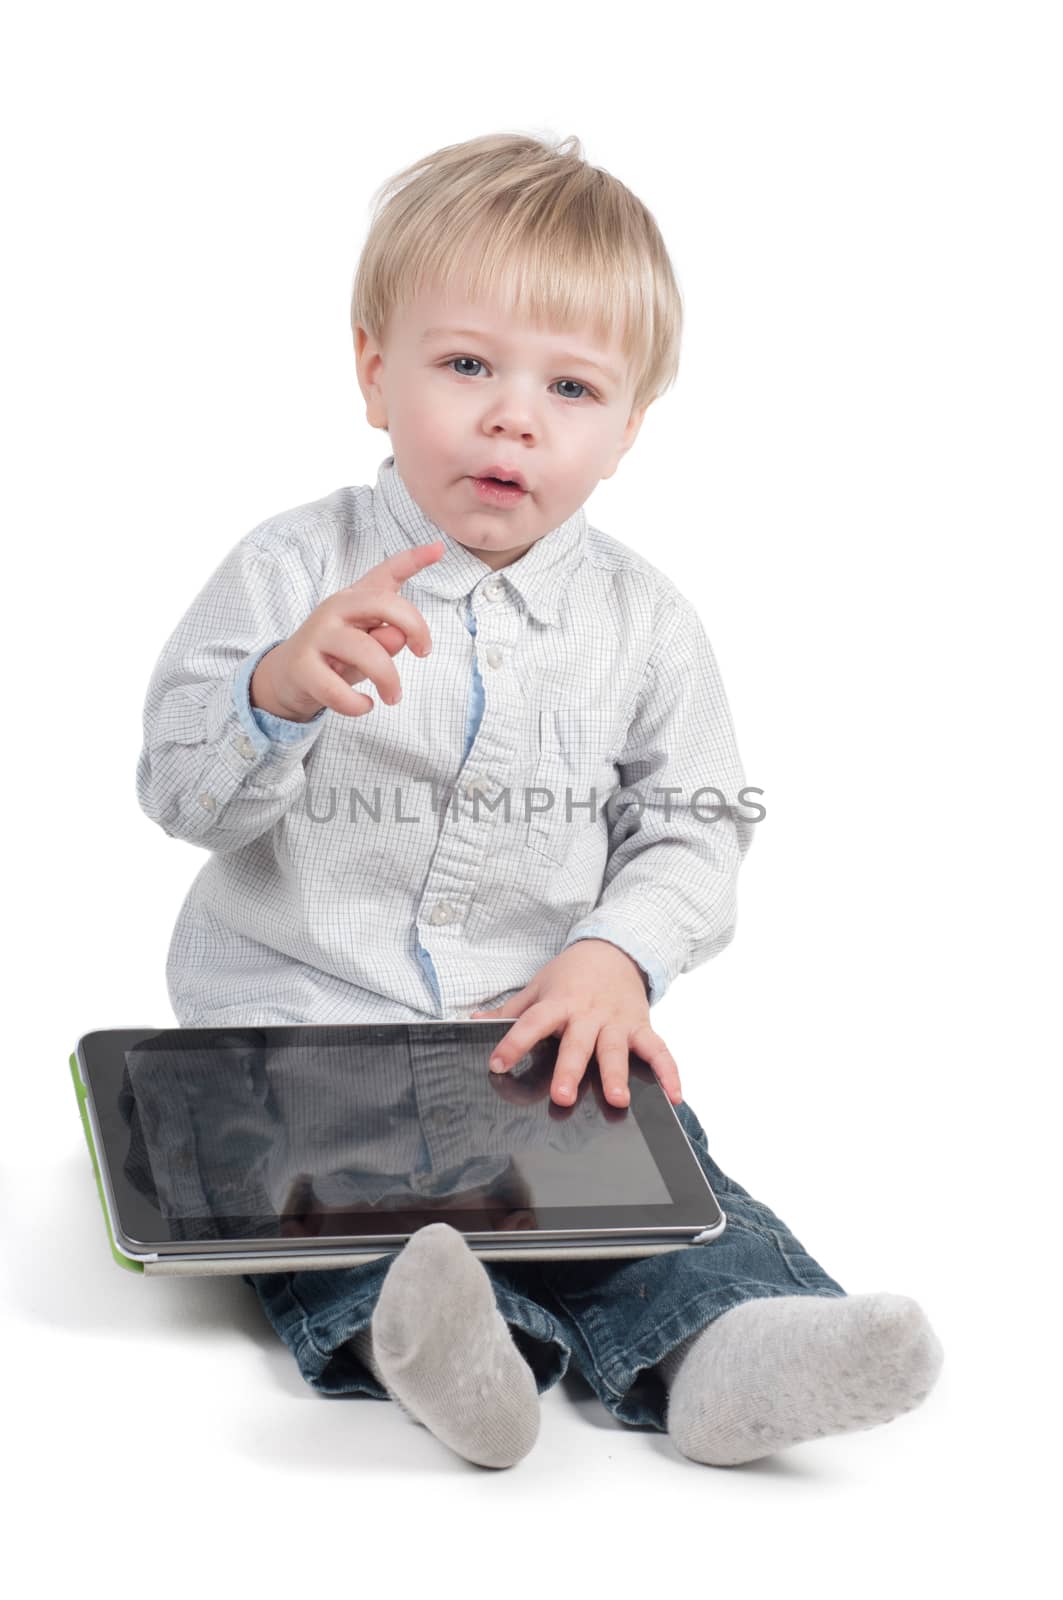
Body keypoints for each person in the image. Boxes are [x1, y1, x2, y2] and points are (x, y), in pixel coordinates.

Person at [135, 130, 944, 1470]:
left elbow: (695, 819)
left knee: (657, 1172)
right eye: (467, 366)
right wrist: (272, 692)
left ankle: (732, 1345)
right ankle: (469, 1353)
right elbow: (179, 793)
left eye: (572, 387)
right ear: (372, 370)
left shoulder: (645, 623)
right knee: (332, 1208)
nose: (515, 416)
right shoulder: (290, 570)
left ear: (627, 431)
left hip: (529, 1029)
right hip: (300, 1029)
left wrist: (616, 955)